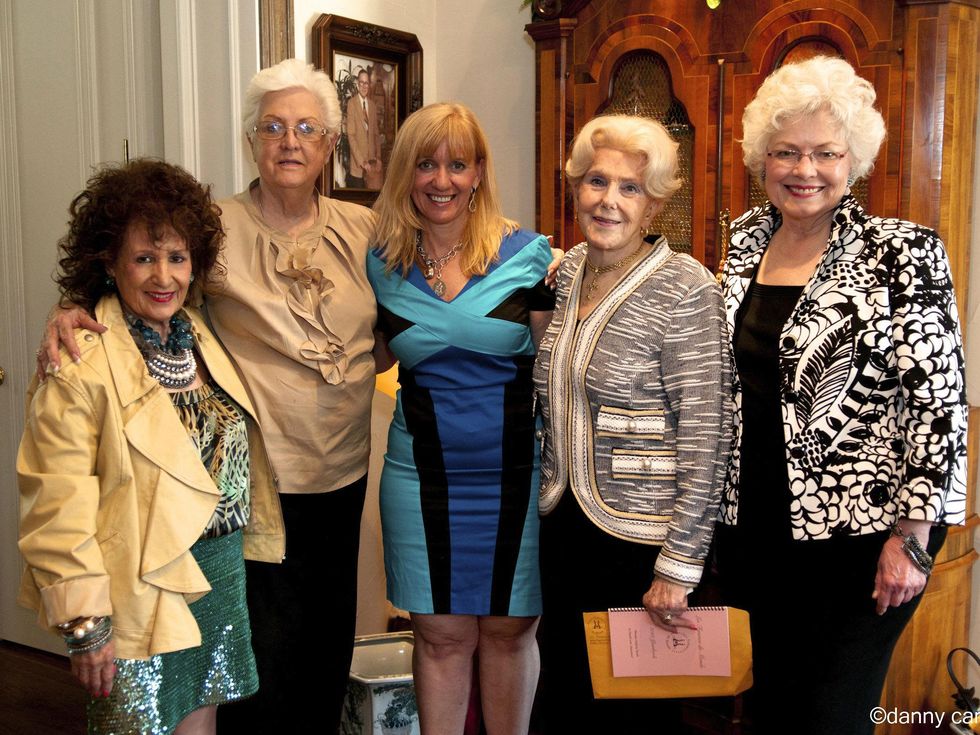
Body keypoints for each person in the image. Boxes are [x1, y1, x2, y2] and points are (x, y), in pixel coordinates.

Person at [39, 59, 377, 733]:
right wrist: (71, 309)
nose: (289, 140)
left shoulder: (366, 230)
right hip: (252, 489)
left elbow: (415, 310)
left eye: (307, 127)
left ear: (329, 145)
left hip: (342, 475)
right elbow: (135, 269)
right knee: (256, 670)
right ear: (252, 138)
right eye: (272, 126)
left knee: (320, 657)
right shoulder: (213, 229)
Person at [715, 55, 967, 735]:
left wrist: (912, 540)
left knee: (829, 714)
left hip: (863, 535)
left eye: (826, 153)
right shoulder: (742, 245)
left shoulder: (902, 253)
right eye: (787, 152)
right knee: (767, 709)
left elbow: (938, 404)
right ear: (761, 158)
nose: (805, 170)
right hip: (756, 531)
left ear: (854, 159)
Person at [18, 159, 282, 735]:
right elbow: (56, 503)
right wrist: (86, 625)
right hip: (137, 588)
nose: (163, 276)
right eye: (143, 258)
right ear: (109, 265)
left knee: (200, 723)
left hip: (219, 573)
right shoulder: (79, 362)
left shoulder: (198, 332)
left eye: (177, 257)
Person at [532, 114, 731, 733]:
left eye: (629, 188)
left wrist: (679, 565)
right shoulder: (564, 276)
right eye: (596, 181)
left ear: (655, 204)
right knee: (564, 701)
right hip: (562, 527)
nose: (608, 201)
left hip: (640, 542)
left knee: (632, 717)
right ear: (575, 188)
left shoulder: (685, 287)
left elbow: (708, 434)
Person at [367, 102, 555, 735]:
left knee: (509, 631)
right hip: (419, 480)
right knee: (441, 635)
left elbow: (567, 372)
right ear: (406, 173)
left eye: (457, 164)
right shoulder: (380, 263)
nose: (441, 180)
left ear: (479, 172)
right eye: (426, 164)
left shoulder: (531, 258)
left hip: (516, 479)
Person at [346, 69, 383, 189]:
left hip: (372, 167)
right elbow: (351, 135)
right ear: (357, 84)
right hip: (358, 167)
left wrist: (378, 157)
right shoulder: (351, 104)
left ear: (369, 85)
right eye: (361, 83)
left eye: (366, 83)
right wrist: (362, 161)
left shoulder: (372, 105)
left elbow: (376, 135)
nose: (364, 86)